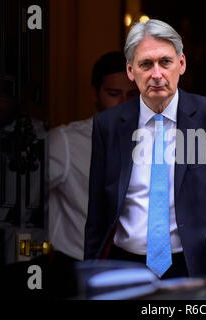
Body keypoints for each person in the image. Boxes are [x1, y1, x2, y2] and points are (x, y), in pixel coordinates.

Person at [85, 19, 206, 278]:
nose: (156, 74)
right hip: (123, 266)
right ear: (130, 70)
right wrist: (91, 279)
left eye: (165, 62)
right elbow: (97, 215)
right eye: (146, 64)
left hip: (193, 268)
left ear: (181, 64)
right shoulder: (109, 125)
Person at [48, 52, 139, 262]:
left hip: (132, 268)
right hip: (75, 265)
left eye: (132, 95)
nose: (124, 103)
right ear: (95, 95)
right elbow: (26, 203)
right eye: (114, 93)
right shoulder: (65, 142)